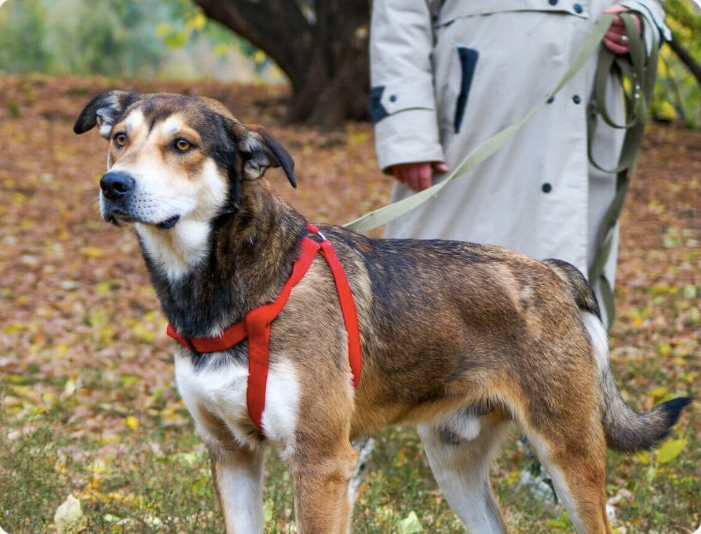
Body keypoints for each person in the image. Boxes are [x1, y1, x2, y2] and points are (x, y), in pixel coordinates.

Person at [369, 0, 669, 326]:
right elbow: (400, 10)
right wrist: (407, 127)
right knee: (434, 292)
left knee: (566, 310)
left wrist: (642, 19)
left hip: (585, 108)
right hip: (477, 107)